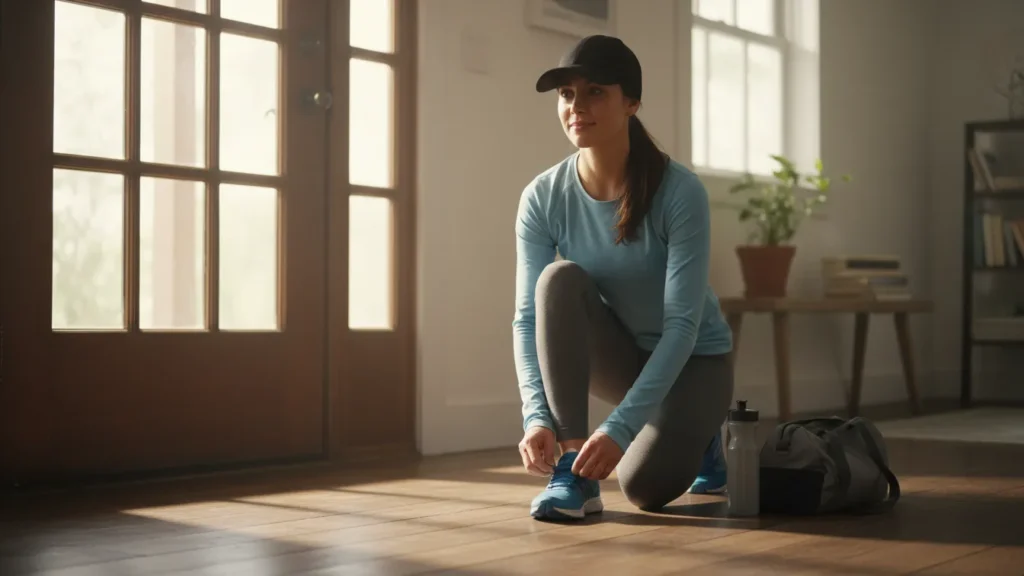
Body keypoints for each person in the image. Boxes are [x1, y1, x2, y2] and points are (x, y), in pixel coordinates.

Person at [512, 35, 735, 521]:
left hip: (697, 364)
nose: (577, 106)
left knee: (643, 489)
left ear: (631, 102)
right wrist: (536, 416)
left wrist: (619, 428)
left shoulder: (680, 192)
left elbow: (682, 326)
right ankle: (573, 474)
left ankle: (703, 442)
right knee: (556, 282)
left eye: (595, 92)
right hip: (627, 357)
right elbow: (528, 319)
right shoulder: (543, 197)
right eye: (567, 94)